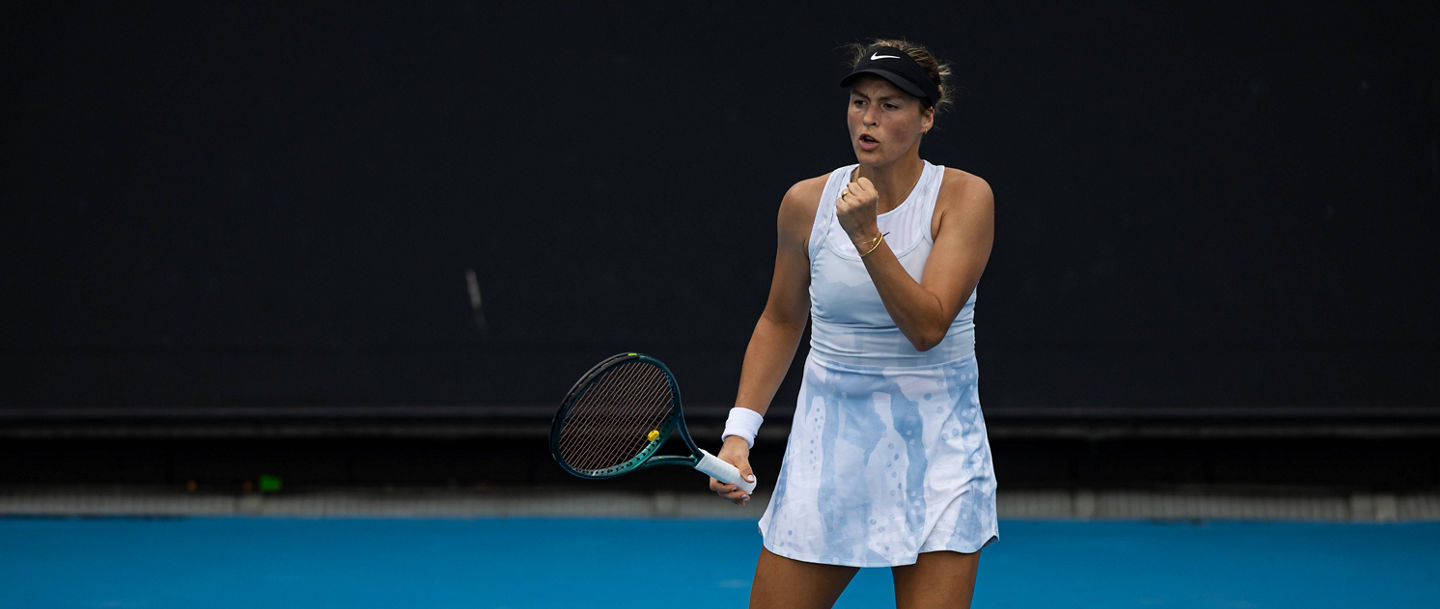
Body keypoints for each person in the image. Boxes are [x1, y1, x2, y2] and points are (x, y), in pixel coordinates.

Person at [707, 39, 998, 609]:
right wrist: (738, 435)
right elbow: (780, 319)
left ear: (926, 118)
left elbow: (928, 328)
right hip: (829, 455)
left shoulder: (964, 198)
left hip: (938, 457)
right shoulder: (804, 202)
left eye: (890, 105)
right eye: (860, 102)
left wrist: (867, 235)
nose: (869, 118)